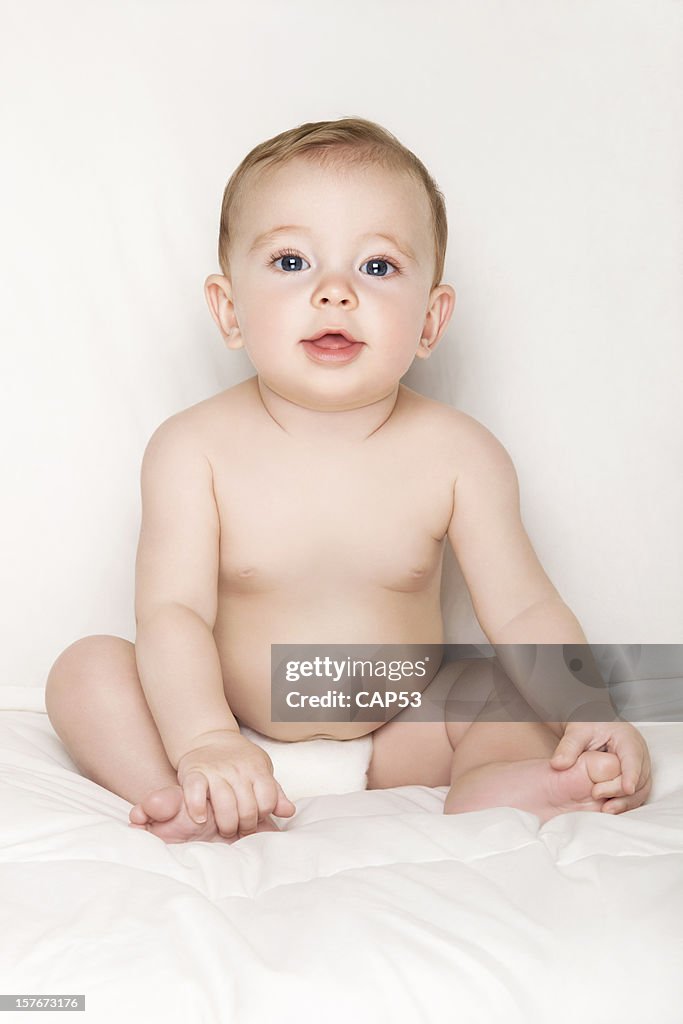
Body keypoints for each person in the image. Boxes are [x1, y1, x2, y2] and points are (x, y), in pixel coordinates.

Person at [45, 117, 652, 844]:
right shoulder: (192, 448)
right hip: (224, 726)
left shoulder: (459, 453)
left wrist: (590, 716)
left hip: (398, 732)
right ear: (228, 309)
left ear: (429, 322)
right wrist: (205, 738)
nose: (334, 292)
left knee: (496, 686)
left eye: (376, 267)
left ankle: (500, 781)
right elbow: (173, 612)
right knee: (87, 671)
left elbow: (523, 612)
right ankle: (176, 793)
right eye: (292, 262)